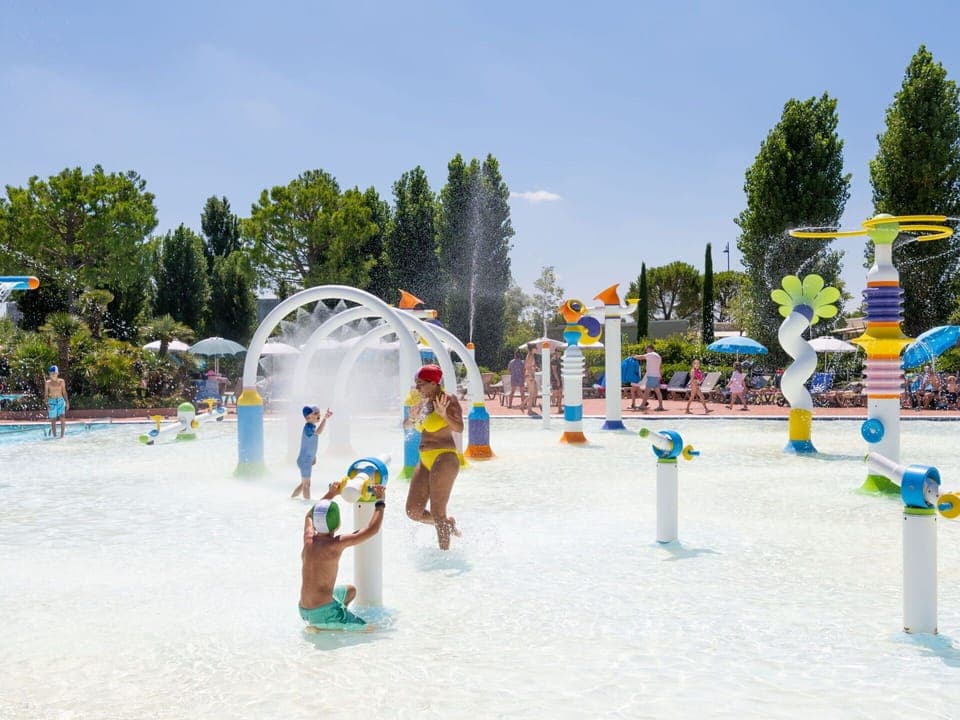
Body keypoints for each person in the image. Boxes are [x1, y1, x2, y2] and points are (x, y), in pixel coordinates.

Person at [299, 481, 386, 631]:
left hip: (304, 608)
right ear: (337, 523)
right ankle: (329, 624)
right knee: (372, 631)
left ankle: (329, 621)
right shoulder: (335, 544)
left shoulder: (309, 539)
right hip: (323, 612)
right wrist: (380, 501)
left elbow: (309, 515)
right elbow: (372, 530)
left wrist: (331, 494)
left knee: (350, 591)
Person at [404, 364, 463, 550]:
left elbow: (459, 428)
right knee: (413, 511)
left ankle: (444, 558)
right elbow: (406, 426)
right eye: (416, 384)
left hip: (444, 457)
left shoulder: (448, 400)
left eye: (421, 384)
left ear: (433, 383)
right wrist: (412, 419)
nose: (417, 388)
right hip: (424, 459)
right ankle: (447, 525)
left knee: (438, 511)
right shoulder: (422, 402)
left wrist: (444, 415)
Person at [291, 406, 333, 500]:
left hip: (307, 460)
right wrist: (325, 419)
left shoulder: (312, 427)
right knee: (307, 485)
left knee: (304, 484)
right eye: (315, 413)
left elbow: (311, 444)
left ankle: (292, 498)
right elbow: (318, 432)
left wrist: (313, 457)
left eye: (318, 413)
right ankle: (307, 504)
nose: (318, 415)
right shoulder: (308, 427)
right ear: (308, 417)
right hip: (304, 460)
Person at [630, 345, 664, 411]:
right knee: (658, 392)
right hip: (657, 376)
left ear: (650, 349)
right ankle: (660, 406)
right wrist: (660, 376)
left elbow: (641, 357)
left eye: (647, 349)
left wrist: (633, 356)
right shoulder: (658, 356)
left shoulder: (650, 354)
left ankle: (642, 405)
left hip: (651, 376)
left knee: (646, 392)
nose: (646, 351)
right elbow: (660, 367)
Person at [44, 365, 69, 438]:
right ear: (49, 374)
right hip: (52, 401)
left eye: (54, 373)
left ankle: (62, 436)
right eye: (51, 373)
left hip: (60, 400)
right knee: (53, 419)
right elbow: (46, 394)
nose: (53, 375)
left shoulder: (61, 381)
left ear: (57, 373)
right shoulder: (47, 383)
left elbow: (64, 392)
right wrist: (47, 404)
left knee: (62, 417)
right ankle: (54, 436)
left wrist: (67, 402)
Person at [521, 346, 538, 414]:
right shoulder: (530, 355)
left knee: (532, 393)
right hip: (530, 375)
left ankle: (525, 406)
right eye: (535, 348)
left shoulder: (530, 355)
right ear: (532, 349)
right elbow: (527, 366)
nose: (536, 349)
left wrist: (534, 367)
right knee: (532, 393)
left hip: (529, 375)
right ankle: (527, 409)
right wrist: (531, 375)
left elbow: (528, 366)